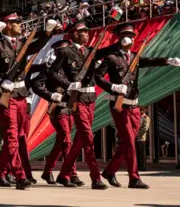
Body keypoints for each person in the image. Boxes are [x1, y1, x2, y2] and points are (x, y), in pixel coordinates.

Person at [0, 11, 57, 190]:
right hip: (7, 96)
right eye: (17, 22)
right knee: (12, 137)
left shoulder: (21, 43)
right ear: (8, 25)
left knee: (19, 137)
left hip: (21, 95)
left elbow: (35, 47)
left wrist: (47, 33)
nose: (20, 25)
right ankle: (19, 175)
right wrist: (0, 82)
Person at [95, 22, 180, 189]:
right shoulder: (111, 58)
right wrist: (112, 87)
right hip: (119, 104)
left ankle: (110, 171)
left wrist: (168, 61)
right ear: (119, 38)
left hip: (134, 105)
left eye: (132, 36)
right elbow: (97, 77)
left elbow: (148, 61)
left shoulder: (134, 57)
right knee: (129, 141)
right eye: (127, 36)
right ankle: (134, 177)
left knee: (129, 141)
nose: (131, 39)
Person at [49, 21, 108, 190]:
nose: (87, 34)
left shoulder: (90, 52)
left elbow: (106, 55)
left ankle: (64, 174)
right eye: (83, 32)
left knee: (80, 140)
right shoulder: (66, 51)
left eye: (87, 31)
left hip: (91, 98)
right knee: (88, 138)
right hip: (78, 98)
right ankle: (96, 177)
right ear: (75, 34)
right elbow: (53, 72)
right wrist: (68, 84)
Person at [29, 40, 83, 187]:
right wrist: (50, 95)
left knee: (61, 142)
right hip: (58, 108)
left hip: (70, 107)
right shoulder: (50, 69)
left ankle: (48, 171)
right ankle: (70, 174)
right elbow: (36, 85)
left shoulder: (72, 68)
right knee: (66, 140)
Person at [136, 106, 150, 172]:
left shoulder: (146, 118)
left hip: (142, 138)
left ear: (144, 110)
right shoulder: (137, 117)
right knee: (137, 153)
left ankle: (143, 167)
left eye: (141, 110)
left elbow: (145, 128)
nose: (140, 111)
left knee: (142, 153)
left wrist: (137, 134)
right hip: (136, 138)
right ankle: (138, 166)